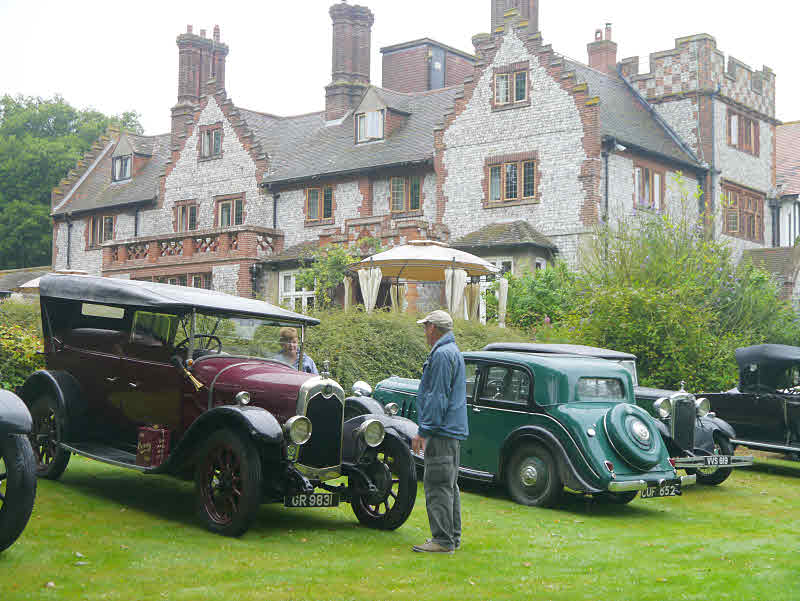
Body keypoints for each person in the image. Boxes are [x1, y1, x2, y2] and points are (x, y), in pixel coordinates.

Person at [411, 310, 468, 554]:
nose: (424, 332)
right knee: (448, 484)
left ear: (433, 328)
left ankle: (442, 541)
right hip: (450, 430)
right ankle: (451, 537)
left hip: (442, 431)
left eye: (426, 327)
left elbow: (437, 397)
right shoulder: (451, 351)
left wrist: (423, 430)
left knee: (437, 484)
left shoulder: (443, 354)